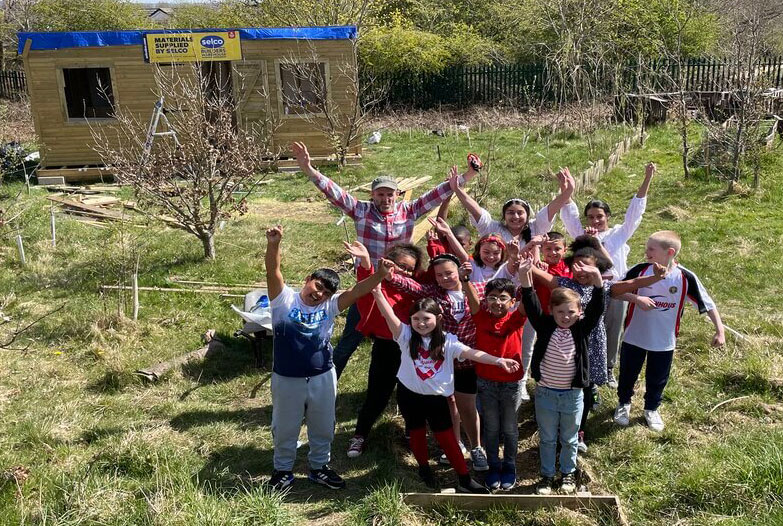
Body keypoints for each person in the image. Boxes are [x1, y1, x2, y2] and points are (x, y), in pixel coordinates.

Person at [291, 142, 480, 379]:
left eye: (390, 194)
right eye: (380, 194)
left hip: (401, 289)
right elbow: (334, 192)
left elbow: (437, 193)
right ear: (373, 195)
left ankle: (403, 383)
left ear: (397, 195)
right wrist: (309, 169)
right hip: (369, 285)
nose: (385, 198)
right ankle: (327, 382)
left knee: (400, 341)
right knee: (350, 340)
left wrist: (468, 175)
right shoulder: (361, 211)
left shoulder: (409, 211)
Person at [263, 225, 392, 491]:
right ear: (308, 279)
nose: (319, 294)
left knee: (323, 425)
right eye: (317, 286)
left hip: (323, 375)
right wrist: (274, 244)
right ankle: (282, 470)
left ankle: (319, 467)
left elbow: (358, 291)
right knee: (286, 425)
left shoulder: (330, 306)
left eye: (325, 292)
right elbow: (272, 271)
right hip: (287, 377)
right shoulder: (283, 300)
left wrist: (379, 273)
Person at [371, 284, 519, 493]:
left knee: (448, 438)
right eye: (416, 319)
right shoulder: (404, 335)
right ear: (410, 320)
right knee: (416, 433)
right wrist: (377, 291)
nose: (421, 323)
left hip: (436, 399)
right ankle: (424, 469)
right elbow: (388, 314)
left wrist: (497, 360)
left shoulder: (448, 342)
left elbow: (473, 353)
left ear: (438, 319)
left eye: (426, 319)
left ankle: (464, 478)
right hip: (409, 396)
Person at [530, 236, 666, 451]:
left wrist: (654, 278)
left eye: (588, 267)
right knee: (565, 383)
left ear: (598, 269)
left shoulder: (605, 287)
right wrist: (522, 256)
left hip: (592, 343)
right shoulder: (563, 283)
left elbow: (631, 284)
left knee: (584, 386)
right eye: (578, 266)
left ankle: (579, 431)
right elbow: (537, 274)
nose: (582, 271)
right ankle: (556, 426)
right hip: (565, 345)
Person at [450, 167, 576, 400]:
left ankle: (519, 379)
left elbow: (554, 206)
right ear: (504, 215)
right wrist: (458, 190)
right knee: (493, 338)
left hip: (526, 293)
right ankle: (489, 376)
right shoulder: (493, 229)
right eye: (510, 212)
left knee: (525, 340)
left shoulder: (537, 228)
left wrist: (567, 191)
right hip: (497, 297)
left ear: (527, 215)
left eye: (520, 213)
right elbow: (474, 209)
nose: (516, 217)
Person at [385, 253, 489, 471]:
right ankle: (456, 443)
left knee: (468, 406)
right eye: (439, 275)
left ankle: (477, 447)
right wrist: (390, 274)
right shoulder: (433, 293)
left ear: (460, 270)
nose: (444, 278)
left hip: (466, 359)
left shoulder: (479, 288)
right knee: (449, 404)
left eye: (449, 273)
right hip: (441, 360)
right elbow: (410, 287)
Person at [613, 230, 725, 432]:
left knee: (658, 377)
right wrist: (636, 299)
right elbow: (615, 290)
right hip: (634, 335)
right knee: (628, 372)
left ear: (670, 252)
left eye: (651, 249)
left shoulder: (684, 277)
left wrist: (720, 331)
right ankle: (623, 404)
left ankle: (652, 408)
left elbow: (707, 303)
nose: (646, 251)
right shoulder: (640, 270)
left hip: (664, 340)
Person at [560, 162, 656, 387]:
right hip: (587, 289)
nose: (595, 221)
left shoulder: (618, 234)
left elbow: (635, 214)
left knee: (614, 328)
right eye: (591, 217)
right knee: (590, 328)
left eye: (599, 216)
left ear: (608, 217)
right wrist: (566, 191)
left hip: (616, 289)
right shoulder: (581, 234)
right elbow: (569, 215)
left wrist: (647, 180)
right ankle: (585, 365)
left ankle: (609, 368)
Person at [518, 256, 606, 495]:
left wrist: (597, 279)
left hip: (573, 395)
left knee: (569, 438)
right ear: (552, 311)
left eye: (570, 312)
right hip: (546, 393)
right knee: (547, 438)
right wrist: (526, 276)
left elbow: (598, 308)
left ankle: (567, 472)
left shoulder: (581, 328)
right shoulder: (546, 326)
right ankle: (547, 476)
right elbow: (531, 302)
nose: (565, 316)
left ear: (579, 312)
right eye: (560, 312)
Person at [343, 241, 424, 458]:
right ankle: (360, 435)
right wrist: (366, 261)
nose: (405, 271)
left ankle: (412, 434)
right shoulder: (380, 285)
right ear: (390, 263)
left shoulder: (413, 290)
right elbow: (365, 280)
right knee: (377, 394)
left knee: (410, 394)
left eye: (410, 268)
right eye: (401, 265)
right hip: (385, 347)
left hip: (410, 348)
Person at [464, 275, 526, 490]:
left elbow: (527, 301)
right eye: (492, 298)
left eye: (503, 298)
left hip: (511, 383)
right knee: (490, 427)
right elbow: (472, 298)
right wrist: (464, 280)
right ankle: (493, 466)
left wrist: (528, 276)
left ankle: (509, 466)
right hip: (486, 381)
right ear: (485, 300)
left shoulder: (515, 319)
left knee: (509, 428)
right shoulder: (481, 317)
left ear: (512, 302)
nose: (497, 303)